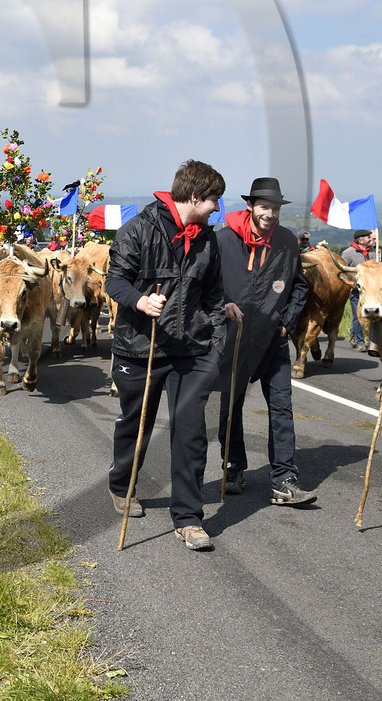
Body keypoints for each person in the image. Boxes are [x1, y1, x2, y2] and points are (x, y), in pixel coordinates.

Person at [106, 159, 234, 552]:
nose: (217, 208)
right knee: (136, 424)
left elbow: (213, 295)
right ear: (194, 196)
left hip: (190, 351)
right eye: (214, 200)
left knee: (191, 432)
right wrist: (140, 301)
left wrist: (216, 340)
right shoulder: (138, 230)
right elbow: (115, 281)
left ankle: (189, 518)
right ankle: (122, 485)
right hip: (139, 347)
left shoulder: (208, 241)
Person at [214, 178, 316, 505]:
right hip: (234, 341)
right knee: (231, 408)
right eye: (264, 207)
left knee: (282, 407)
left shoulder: (287, 241)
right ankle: (233, 467)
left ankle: (285, 478)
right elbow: (207, 285)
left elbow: (300, 286)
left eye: (275, 208)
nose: (270, 214)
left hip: (273, 340)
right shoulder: (223, 240)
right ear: (250, 206)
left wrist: (288, 320)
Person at [342, 230, 376, 348]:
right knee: (358, 316)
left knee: (372, 316)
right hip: (357, 290)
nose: (370, 238)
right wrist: (351, 283)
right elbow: (343, 271)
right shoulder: (348, 253)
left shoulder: (374, 251)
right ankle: (359, 341)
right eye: (368, 237)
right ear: (360, 240)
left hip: (371, 291)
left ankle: (370, 339)